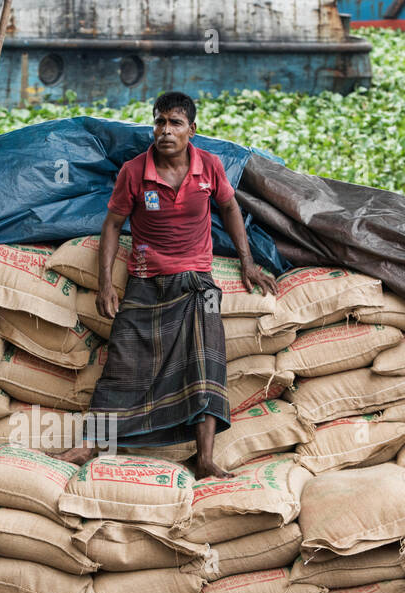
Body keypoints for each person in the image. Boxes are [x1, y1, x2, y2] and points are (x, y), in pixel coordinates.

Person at [56, 91, 279, 478]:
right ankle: (88, 445)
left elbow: (229, 209)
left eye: (175, 123)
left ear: (192, 130)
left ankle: (205, 458)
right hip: (146, 281)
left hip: (198, 283)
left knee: (208, 355)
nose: (165, 130)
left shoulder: (209, 167)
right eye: (159, 121)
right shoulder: (134, 172)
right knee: (124, 358)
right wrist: (107, 282)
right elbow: (111, 224)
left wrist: (248, 263)